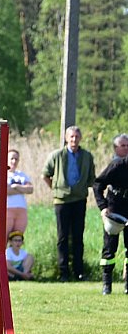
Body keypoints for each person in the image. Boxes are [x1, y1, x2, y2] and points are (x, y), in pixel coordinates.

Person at [42, 126, 96, 282]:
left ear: (81, 138)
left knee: (78, 237)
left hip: (79, 200)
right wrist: (56, 188)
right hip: (62, 201)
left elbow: (92, 178)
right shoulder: (57, 155)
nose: (74, 139)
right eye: (71, 137)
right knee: (63, 237)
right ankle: (63, 272)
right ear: (66, 138)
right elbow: (45, 174)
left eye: (77, 137)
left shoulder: (87, 156)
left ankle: (79, 272)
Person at [93, 139, 128, 295]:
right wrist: (103, 207)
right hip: (114, 207)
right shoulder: (117, 166)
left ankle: (127, 285)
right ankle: (107, 285)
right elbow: (98, 184)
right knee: (109, 249)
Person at [6, 149, 33, 236]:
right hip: (8, 208)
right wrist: (22, 189)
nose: (14, 161)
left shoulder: (21, 175)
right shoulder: (5, 174)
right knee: (5, 236)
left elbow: (30, 189)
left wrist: (16, 186)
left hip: (21, 210)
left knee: (17, 237)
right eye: (12, 158)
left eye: (16, 159)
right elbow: (6, 190)